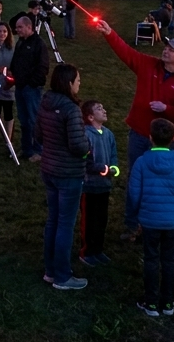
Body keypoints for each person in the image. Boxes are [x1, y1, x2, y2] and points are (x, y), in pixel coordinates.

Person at [96, 18, 174, 241]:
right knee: (135, 179)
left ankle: (162, 221)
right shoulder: (149, 64)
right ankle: (132, 225)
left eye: (172, 50)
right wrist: (109, 32)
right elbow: (127, 53)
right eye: (167, 47)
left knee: (164, 182)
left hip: (165, 141)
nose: (166, 51)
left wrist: (167, 109)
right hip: (139, 134)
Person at [128, 117, 174, 317]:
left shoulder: (141, 162)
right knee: (169, 260)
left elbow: (134, 192)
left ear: (150, 137)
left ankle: (151, 302)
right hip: (171, 220)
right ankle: (168, 302)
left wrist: (140, 212)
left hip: (149, 220)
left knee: (151, 259)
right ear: (173, 138)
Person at [35, 63, 90, 290]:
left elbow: (37, 135)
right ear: (69, 83)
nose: (79, 84)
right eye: (77, 80)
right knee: (65, 225)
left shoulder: (45, 103)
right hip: (68, 173)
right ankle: (62, 276)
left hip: (49, 168)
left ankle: (50, 270)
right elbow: (77, 145)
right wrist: (89, 147)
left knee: (53, 221)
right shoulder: (70, 109)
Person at [80, 100, 118, 266]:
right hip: (90, 186)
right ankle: (87, 251)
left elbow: (114, 155)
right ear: (90, 117)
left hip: (104, 186)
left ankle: (98, 250)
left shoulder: (109, 134)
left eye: (103, 107)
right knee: (90, 220)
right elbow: (86, 162)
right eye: (98, 108)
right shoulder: (86, 135)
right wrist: (103, 169)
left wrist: (114, 168)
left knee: (102, 219)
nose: (103, 110)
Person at [11, 16, 51, 162]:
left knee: (34, 120)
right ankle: (26, 148)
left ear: (29, 27)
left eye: (20, 27)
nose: (17, 30)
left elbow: (43, 67)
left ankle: (38, 150)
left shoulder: (39, 44)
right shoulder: (21, 42)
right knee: (23, 120)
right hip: (20, 87)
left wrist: (33, 83)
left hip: (31, 88)